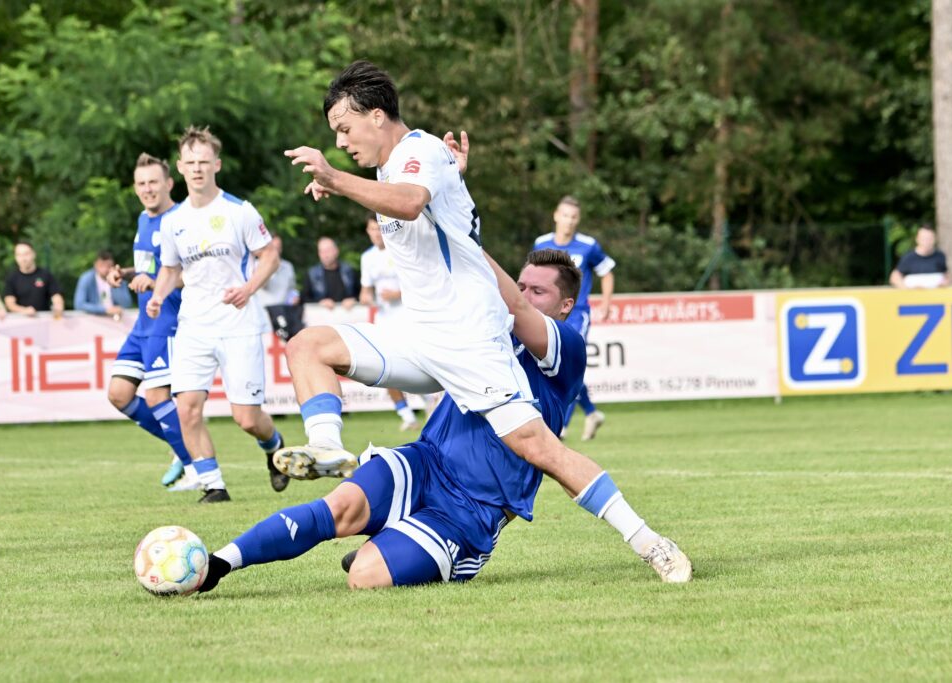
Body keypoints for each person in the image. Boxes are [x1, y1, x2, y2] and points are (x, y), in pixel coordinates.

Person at [277, 60, 691, 580]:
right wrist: (450, 179)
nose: (339, 142)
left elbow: (409, 204)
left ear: (377, 115)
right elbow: (432, 211)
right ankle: (328, 449)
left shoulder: (420, 150)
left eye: (344, 128)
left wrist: (336, 180)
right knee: (308, 345)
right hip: (423, 337)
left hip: (469, 339)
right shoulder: (403, 164)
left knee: (539, 448)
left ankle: (650, 542)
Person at [197, 249, 690, 593]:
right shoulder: (480, 335)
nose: (522, 294)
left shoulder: (565, 348)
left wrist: (460, 226)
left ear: (564, 305)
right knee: (338, 508)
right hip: (424, 462)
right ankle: (219, 564)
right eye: (521, 285)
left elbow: (513, 308)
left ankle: (409, 549)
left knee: (363, 577)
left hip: (471, 510)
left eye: (537, 291)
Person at [147, 126, 287, 503]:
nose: (197, 169)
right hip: (194, 326)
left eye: (203, 162)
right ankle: (214, 486)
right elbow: (171, 269)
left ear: (216, 165)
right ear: (179, 167)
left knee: (246, 418)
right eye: (190, 162)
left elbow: (269, 255)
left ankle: (274, 445)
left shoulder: (238, 211)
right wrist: (159, 295)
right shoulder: (172, 220)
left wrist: (248, 288)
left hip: (238, 324)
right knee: (187, 409)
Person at [105, 153, 197, 490]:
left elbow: (192, 273)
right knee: (118, 394)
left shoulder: (182, 219)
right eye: (141, 183)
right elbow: (149, 267)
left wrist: (155, 279)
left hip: (168, 319)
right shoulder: (144, 219)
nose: (148, 189)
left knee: (158, 397)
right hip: (143, 322)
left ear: (168, 183)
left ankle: (195, 467)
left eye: (153, 182)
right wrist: (127, 273)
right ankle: (182, 448)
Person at [533, 196, 616, 440]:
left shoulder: (588, 246)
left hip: (577, 314)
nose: (569, 221)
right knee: (552, 367)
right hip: (549, 314)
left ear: (577, 220)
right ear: (556, 216)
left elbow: (607, 271)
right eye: (565, 216)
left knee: (567, 364)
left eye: (574, 217)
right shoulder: (542, 244)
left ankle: (561, 428)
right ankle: (591, 412)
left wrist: (607, 302)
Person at [359, 213, 419, 431]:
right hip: (384, 319)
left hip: (409, 316)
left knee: (419, 363)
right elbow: (364, 291)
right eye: (371, 230)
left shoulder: (402, 249)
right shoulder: (367, 258)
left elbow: (420, 283)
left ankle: (432, 406)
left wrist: (398, 294)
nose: (376, 234)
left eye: (379, 229)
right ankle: (406, 414)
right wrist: (365, 298)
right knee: (385, 366)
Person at [258, 233, 303, 340]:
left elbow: (292, 288)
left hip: (285, 315)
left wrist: (294, 296)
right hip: (265, 318)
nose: (277, 251)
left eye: (279, 248)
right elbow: (262, 284)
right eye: (274, 248)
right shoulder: (256, 265)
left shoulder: (288, 266)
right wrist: (269, 265)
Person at [3, 241, 65, 316]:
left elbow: (56, 295)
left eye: (26, 254)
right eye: (19, 255)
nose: (23, 258)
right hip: (20, 323)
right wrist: (24, 311)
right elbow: (10, 303)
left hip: (44, 322)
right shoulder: (12, 278)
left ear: (33, 254)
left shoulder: (45, 275)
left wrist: (58, 305)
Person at [302, 236, 359, 310]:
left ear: (336, 251)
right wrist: (320, 302)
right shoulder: (312, 274)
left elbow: (362, 294)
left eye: (328, 250)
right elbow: (304, 299)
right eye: (321, 251)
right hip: (322, 319)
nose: (325, 255)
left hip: (348, 317)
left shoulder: (349, 271)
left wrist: (353, 300)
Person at [73, 249, 132, 316]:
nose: (105, 269)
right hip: (93, 319)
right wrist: (104, 310)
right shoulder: (86, 279)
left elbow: (126, 304)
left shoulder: (119, 278)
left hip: (117, 319)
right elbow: (79, 304)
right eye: (102, 265)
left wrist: (115, 283)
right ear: (95, 265)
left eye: (108, 265)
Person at [889, 224, 950, 289]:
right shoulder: (908, 258)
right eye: (924, 238)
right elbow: (894, 277)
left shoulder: (940, 256)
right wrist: (907, 289)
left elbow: (946, 276)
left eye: (929, 238)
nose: (927, 241)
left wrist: (944, 283)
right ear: (917, 239)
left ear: (935, 239)